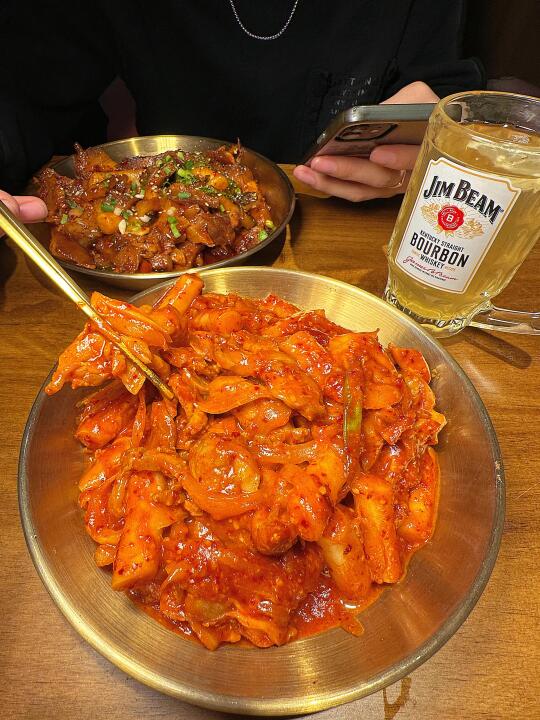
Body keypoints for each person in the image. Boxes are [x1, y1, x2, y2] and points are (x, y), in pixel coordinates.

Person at [0, 0, 483, 226]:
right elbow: (22, 85)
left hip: (356, 226)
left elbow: (447, 90)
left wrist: (438, 147)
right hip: (146, 218)